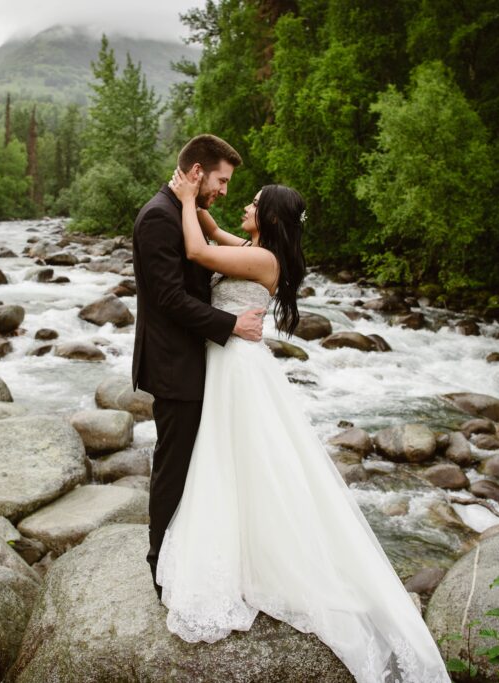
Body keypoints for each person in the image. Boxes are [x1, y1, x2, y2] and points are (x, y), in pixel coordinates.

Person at [155, 166, 454, 683]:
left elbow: (202, 253)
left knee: (238, 459)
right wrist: (196, 200)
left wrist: (182, 201)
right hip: (233, 365)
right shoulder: (258, 250)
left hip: (237, 371)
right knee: (240, 460)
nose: (242, 207)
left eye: (251, 203)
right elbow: (217, 234)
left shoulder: (262, 258)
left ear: (268, 217)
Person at [131, 134, 266, 600]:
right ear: (196, 173)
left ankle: (190, 554)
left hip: (196, 360)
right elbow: (169, 299)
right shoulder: (157, 218)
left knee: (199, 464)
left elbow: (204, 256)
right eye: (221, 180)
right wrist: (232, 325)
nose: (225, 191)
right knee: (173, 466)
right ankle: (158, 565)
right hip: (175, 366)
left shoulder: (179, 212)